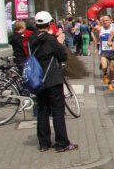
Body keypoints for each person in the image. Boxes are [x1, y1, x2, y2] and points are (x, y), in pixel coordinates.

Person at [30, 11, 78, 151]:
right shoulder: (50, 39)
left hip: (38, 79)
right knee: (57, 111)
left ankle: (44, 143)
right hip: (52, 78)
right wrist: (59, 42)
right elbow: (62, 56)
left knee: (43, 110)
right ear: (49, 23)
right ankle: (62, 143)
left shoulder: (32, 38)